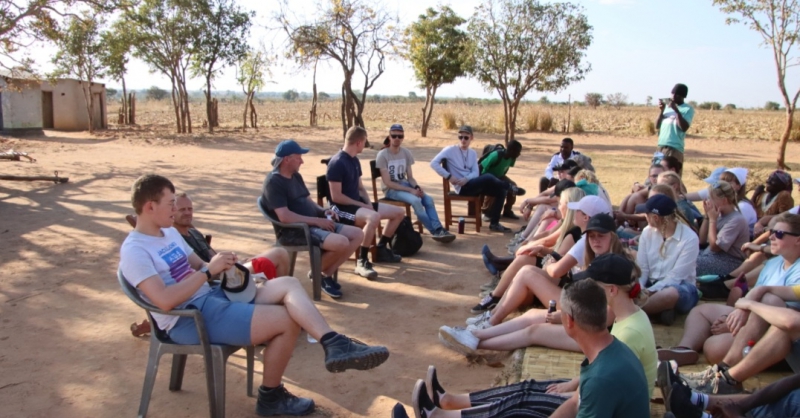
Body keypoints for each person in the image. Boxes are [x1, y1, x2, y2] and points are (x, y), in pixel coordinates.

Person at [119, 174, 389, 417]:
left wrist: (221, 265)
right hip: (189, 319)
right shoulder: (135, 251)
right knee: (286, 321)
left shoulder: (167, 233)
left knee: (288, 284)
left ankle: (334, 343)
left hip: (211, 297)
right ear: (149, 207)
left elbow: (197, 263)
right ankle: (270, 397)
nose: (176, 208)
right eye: (170, 203)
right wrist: (207, 273)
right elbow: (165, 300)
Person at [403, 278, 650, 418]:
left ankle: (440, 415)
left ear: (569, 321)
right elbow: (576, 401)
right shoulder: (606, 351)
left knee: (519, 412)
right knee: (526, 394)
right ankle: (445, 406)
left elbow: (585, 398)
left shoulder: (602, 377)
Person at [128, 194, 294, 336]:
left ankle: (274, 315)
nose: (186, 213)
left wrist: (229, 261)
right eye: (180, 209)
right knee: (274, 258)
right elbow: (171, 293)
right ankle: (269, 320)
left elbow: (208, 260)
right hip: (208, 283)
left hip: (215, 277)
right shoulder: (169, 238)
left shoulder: (191, 232)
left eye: (189, 209)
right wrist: (214, 268)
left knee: (279, 258)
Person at [659, 213, 800, 368]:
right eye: (771, 232)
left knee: (713, 348)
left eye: (779, 234)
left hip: (777, 333)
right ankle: (684, 349)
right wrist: (732, 315)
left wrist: (736, 322)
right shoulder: (774, 263)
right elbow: (750, 293)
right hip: (754, 317)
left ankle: (749, 362)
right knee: (701, 312)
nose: (771, 237)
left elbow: (787, 315)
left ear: (798, 240)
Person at [469, 195, 610, 315]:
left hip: (574, 295)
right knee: (526, 266)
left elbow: (557, 270)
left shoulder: (585, 240)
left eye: (577, 210)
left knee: (525, 275)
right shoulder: (591, 236)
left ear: (586, 217)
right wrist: (544, 251)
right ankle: (495, 299)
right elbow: (562, 258)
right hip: (575, 288)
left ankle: (492, 313)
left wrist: (548, 262)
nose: (574, 212)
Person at [261, 139, 366, 296]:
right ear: (286, 159)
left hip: (314, 223)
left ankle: (322, 274)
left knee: (358, 234)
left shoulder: (295, 176)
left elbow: (308, 201)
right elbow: (284, 217)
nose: (302, 161)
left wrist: (323, 212)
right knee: (342, 242)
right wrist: (317, 221)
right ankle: (321, 274)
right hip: (296, 231)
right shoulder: (273, 182)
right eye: (298, 157)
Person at [327, 126, 405, 274]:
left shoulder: (354, 160)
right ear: (358, 142)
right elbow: (337, 197)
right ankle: (362, 260)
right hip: (342, 209)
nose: (365, 145)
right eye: (364, 142)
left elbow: (361, 188)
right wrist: (362, 205)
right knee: (373, 217)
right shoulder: (336, 163)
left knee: (398, 213)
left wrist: (368, 204)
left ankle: (381, 248)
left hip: (358, 205)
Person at [376, 124, 455, 243]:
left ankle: (438, 228)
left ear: (403, 137)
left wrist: (416, 187)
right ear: (389, 137)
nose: (397, 138)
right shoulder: (382, 155)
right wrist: (411, 191)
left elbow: (410, 178)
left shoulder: (406, 153)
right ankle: (435, 232)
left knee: (428, 199)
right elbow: (388, 183)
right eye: (394, 135)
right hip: (391, 190)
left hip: (405, 185)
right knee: (416, 201)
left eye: (400, 136)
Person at [430, 125, 511, 232]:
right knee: (488, 177)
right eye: (461, 137)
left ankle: (494, 223)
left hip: (472, 183)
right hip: (462, 187)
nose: (463, 140)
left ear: (471, 138)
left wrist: (466, 178)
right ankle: (509, 186)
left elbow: (475, 173)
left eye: (466, 137)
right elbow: (433, 163)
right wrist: (448, 176)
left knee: (501, 191)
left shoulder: (472, 153)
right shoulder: (450, 150)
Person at [637, 194, 700, 326]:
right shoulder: (646, 232)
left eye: (646, 214)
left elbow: (676, 277)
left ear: (655, 218)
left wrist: (648, 292)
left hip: (681, 287)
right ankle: (658, 310)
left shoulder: (689, 239)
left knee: (670, 294)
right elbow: (642, 268)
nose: (644, 217)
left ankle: (632, 314)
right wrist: (640, 288)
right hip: (651, 284)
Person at [697, 181, 750, 277]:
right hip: (710, 256)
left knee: (688, 263)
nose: (708, 201)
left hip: (728, 262)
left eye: (711, 198)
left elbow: (715, 247)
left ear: (724, 200)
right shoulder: (719, 215)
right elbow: (702, 241)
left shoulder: (736, 220)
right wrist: (707, 216)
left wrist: (713, 220)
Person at [479, 139, 524, 220]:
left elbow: (504, 169)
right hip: (487, 176)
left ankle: (507, 210)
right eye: (518, 152)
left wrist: (503, 180)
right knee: (495, 187)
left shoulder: (512, 158)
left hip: (499, 176)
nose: (519, 154)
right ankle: (486, 212)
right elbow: (481, 167)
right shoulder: (495, 155)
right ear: (511, 150)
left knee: (513, 186)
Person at [656, 83, 694, 165]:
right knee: (656, 173)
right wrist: (662, 110)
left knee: (671, 174)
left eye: (677, 95)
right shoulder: (666, 107)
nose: (673, 96)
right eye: (672, 94)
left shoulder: (688, 109)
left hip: (675, 147)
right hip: (661, 145)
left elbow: (684, 128)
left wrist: (676, 110)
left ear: (683, 97)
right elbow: (657, 126)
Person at [752, 170, 795, 234]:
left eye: (773, 180)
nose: (768, 181)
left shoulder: (784, 195)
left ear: (781, 184)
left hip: (772, 232)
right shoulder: (762, 194)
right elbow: (751, 211)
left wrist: (763, 221)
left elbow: (785, 217)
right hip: (756, 230)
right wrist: (755, 195)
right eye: (769, 178)